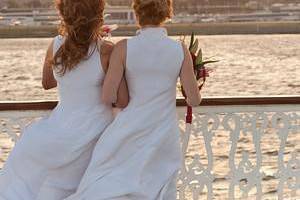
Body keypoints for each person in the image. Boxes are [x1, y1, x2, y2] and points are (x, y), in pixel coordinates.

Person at [64, 0, 201, 199]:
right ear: (166, 13)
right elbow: (194, 100)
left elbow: (108, 95)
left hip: (129, 131)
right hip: (164, 133)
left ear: (137, 13)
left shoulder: (123, 48)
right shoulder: (179, 50)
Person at [0, 0, 128, 199]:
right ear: (98, 16)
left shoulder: (56, 44)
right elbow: (120, 98)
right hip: (96, 132)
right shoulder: (107, 50)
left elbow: (47, 82)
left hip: (61, 127)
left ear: (65, 14)